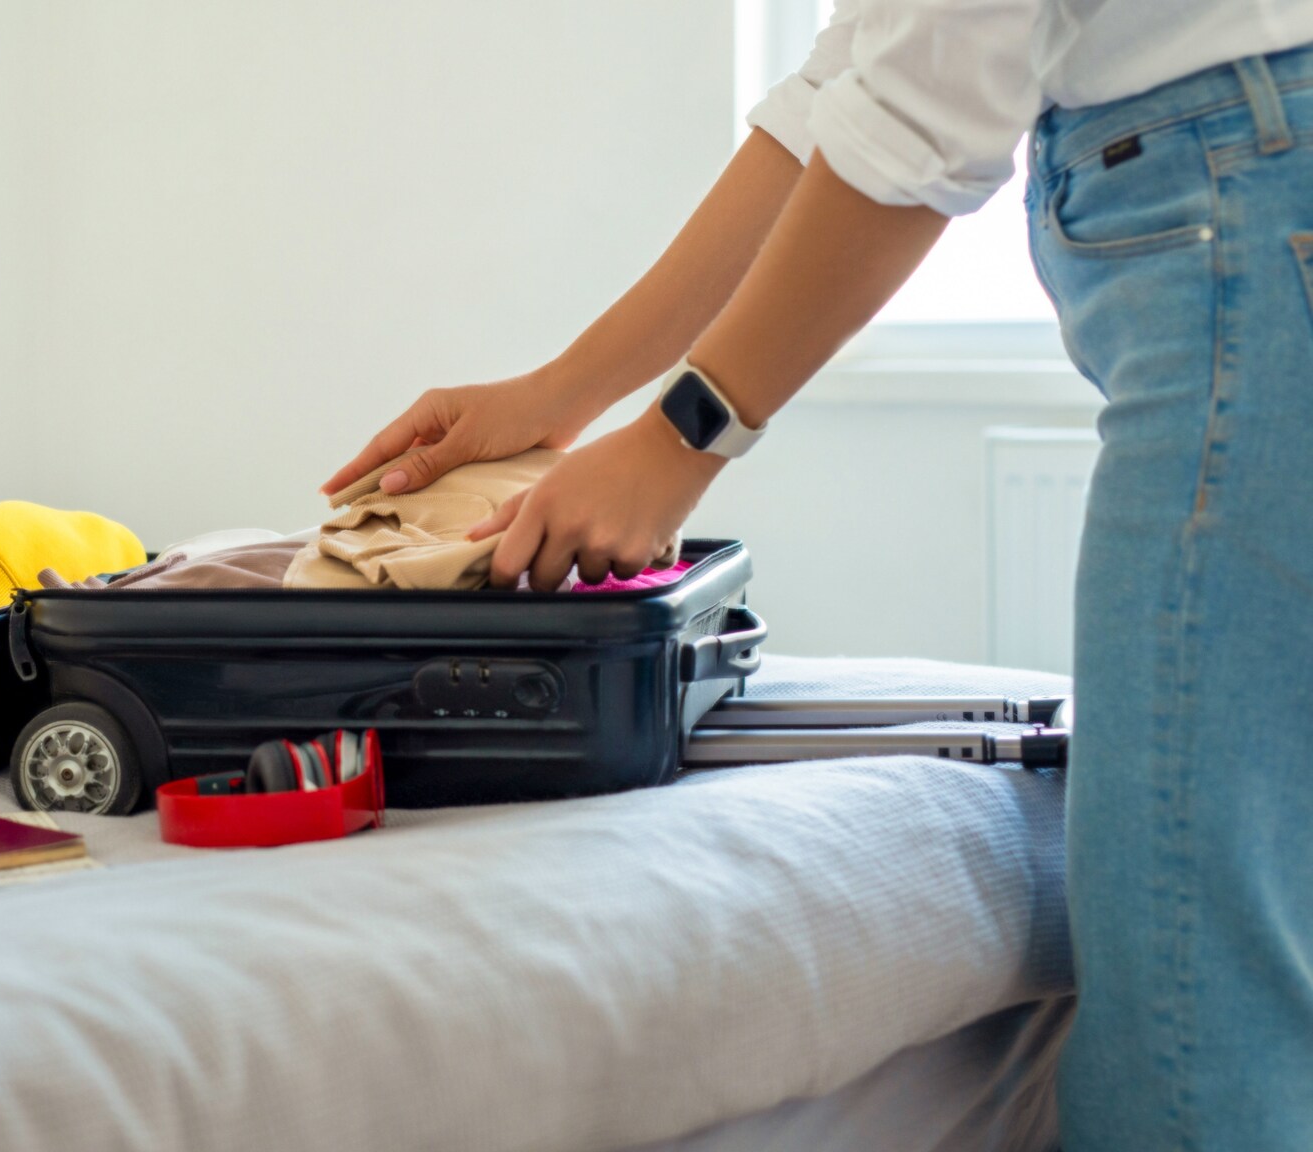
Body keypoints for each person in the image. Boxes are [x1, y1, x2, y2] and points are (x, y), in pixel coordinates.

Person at [324, 2, 1313, 1147]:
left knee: (1188, 981)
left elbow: (919, 116)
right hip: (1236, 200)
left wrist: (678, 440)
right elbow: (842, 99)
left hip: (1242, 216)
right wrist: (562, 393)